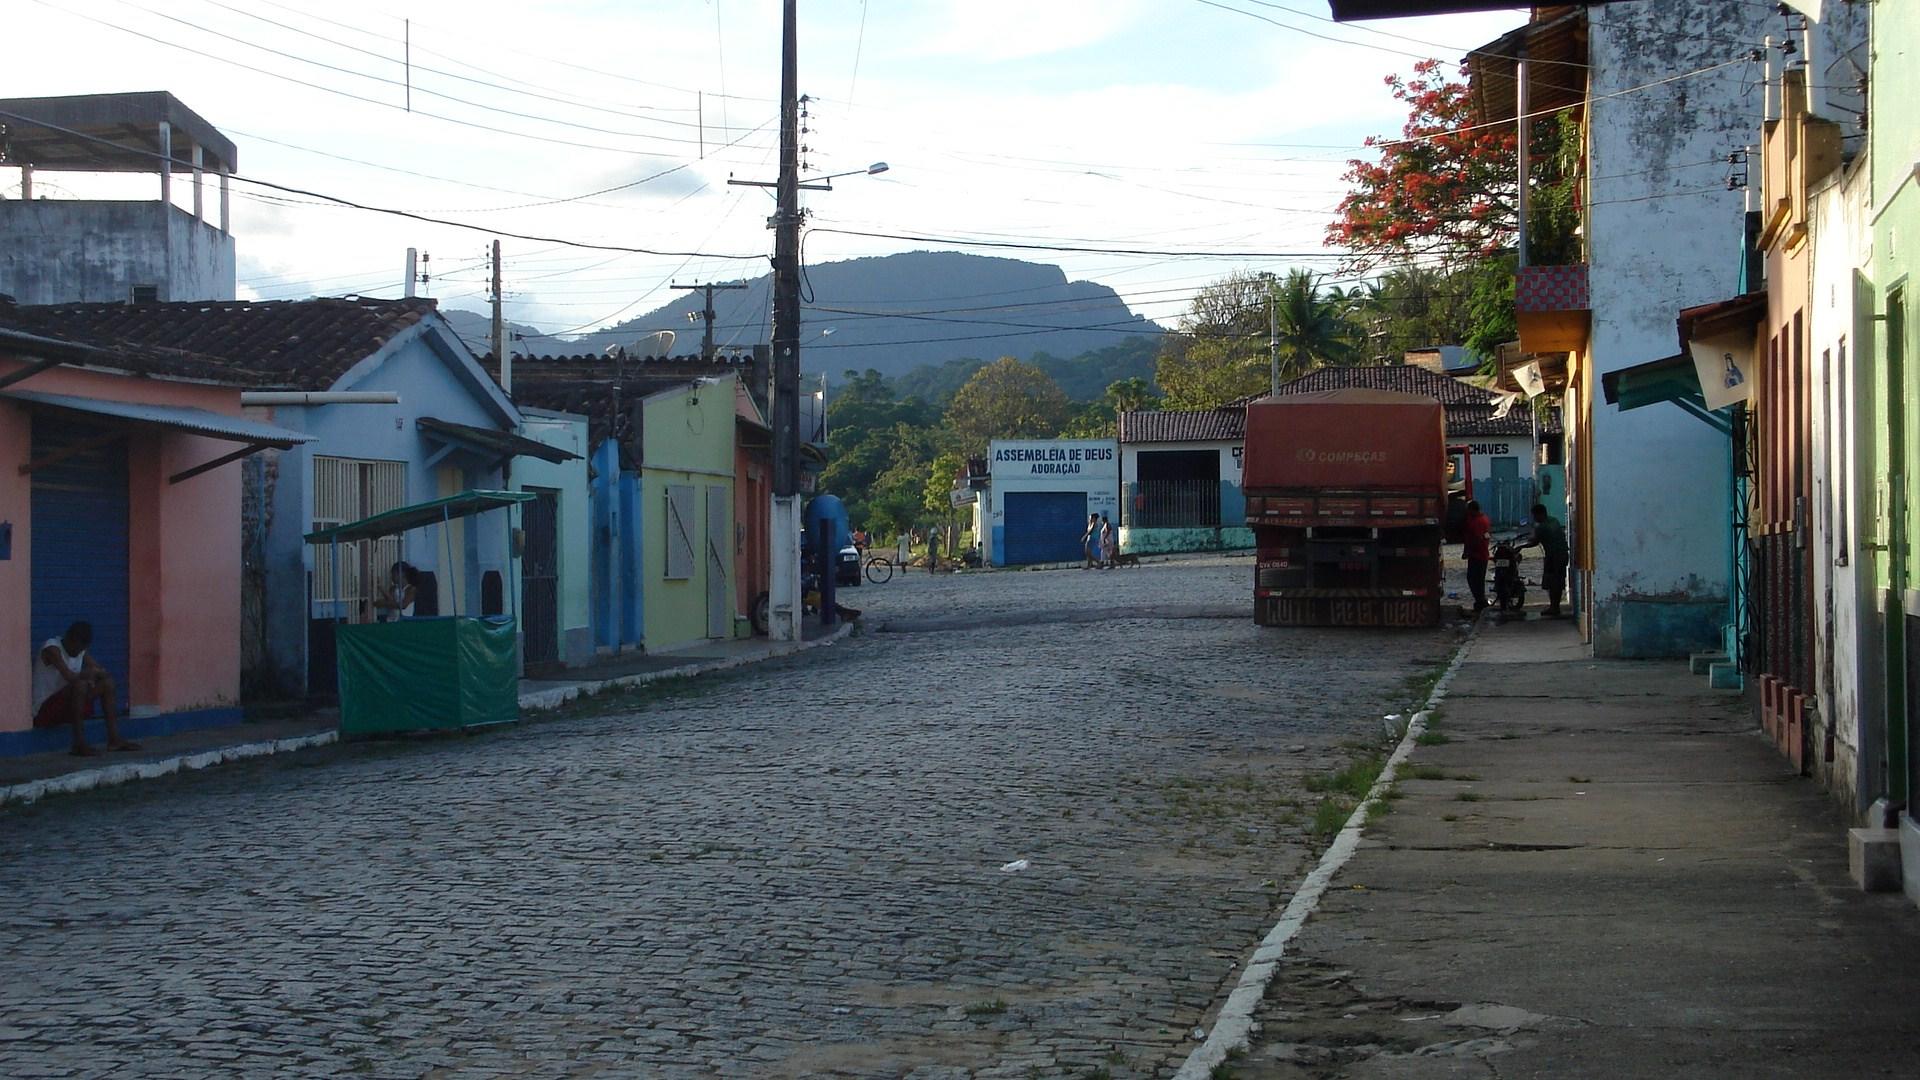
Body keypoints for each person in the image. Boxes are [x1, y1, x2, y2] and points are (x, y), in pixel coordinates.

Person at [32, 621, 137, 756]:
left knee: (107, 683)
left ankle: (114, 739)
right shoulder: (52, 648)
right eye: (78, 647)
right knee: (80, 685)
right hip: (45, 710)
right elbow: (69, 676)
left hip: (69, 706)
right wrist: (87, 675)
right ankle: (79, 744)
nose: (79, 652)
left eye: (83, 648)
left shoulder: (81, 652)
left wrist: (95, 675)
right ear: (70, 639)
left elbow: (100, 671)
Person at [1522, 503, 1569, 616]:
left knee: (1552, 582)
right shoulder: (1555, 521)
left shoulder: (1542, 527)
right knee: (1558, 581)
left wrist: (1520, 547)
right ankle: (1555, 606)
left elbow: (1534, 542)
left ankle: (1554, 607)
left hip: (1553, 557)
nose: (1534, 518)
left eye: (1535, 516)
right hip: (1563, 554)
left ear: (1539, 514)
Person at [1462, 499, 1491, 612]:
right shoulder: (1483, 519)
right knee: (1477, 580)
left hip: (1478, 555)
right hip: (1480, 554)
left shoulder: (1478, 522)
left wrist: (1467, 551)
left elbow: (1476, 539)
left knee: (1474, 579)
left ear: (1472, 510)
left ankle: (1480, 601)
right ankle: (1480, 601)